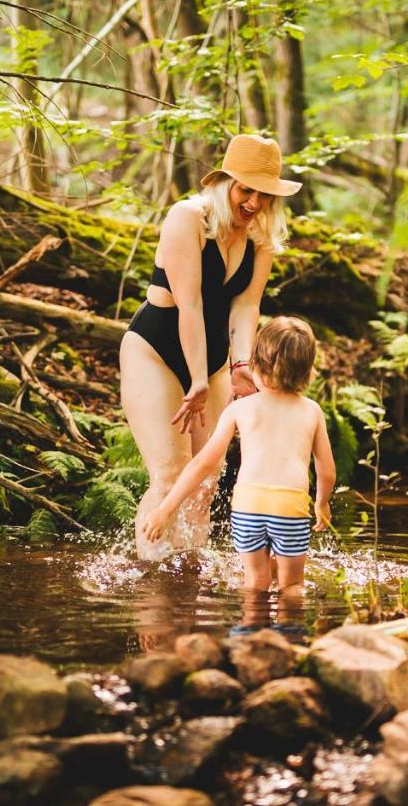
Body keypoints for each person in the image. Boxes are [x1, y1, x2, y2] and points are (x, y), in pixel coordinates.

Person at [121, 135, 302, 560]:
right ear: (225, 183)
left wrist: (242, 365)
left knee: (206, 480)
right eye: (247, 190)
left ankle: (188, 577)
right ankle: (152, 579)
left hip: (216, 359)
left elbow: (246, 307)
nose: (254, 202)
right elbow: (191, 305)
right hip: (156, 350)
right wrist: (197, 378)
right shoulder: (187, 217)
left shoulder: (260, 239)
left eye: (264, 194)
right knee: (169, 474)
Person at [142, 317, 335, 595]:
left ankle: (248, 635)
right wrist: (322, 503)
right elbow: (326, 470)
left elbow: (202, 463)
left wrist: (165, 509)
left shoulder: (240, 409)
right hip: (290, 505)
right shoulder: (311, 411)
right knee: (291, 585)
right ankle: (290, 635)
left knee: (255, 581)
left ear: (256, 363)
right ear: (307, 370)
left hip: (248, 506)